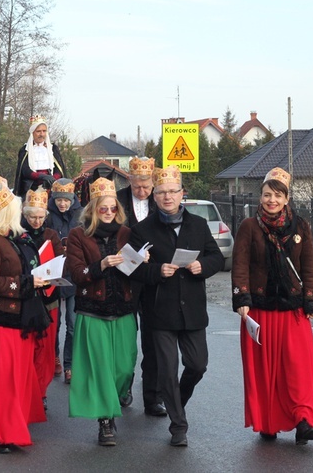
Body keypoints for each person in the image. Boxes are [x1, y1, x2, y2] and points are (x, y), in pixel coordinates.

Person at [129, 165, 224, 447]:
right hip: (160, 310)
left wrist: (202, 265)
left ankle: (176, 403)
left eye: (172, 191)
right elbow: (131, 269)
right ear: (154, 197)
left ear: (182, 194)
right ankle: (178, 426)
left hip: (193, 309)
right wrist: (157, 271)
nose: (167, 197)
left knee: (197, 365)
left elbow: (216, 257)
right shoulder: (142, 230)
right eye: (161, 192)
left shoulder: (197, 224)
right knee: (167, 370)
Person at [231, 167, 313, 445]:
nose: (271, 200)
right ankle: (268, 422)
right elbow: (240, 266)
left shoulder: (301, 226)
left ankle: (304, 419)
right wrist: (242, 299)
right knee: (264, 371)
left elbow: (309, 266)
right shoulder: (249, 226)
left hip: (292, 308)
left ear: (286, 199)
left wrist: (311, 299)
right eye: (266, 194)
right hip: (259, 310)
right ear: (260, 197)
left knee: (299, 368)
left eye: (277, 195)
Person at [0, 182, 49, 453]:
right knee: (0, 382)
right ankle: (1, 433)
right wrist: (26, 283)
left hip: (14, 319)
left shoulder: (11, 239)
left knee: (14, 381)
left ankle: (10, 429)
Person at [65, 176, 137, 446]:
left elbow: (135, 272)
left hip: (124, 309)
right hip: (93, 311)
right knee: (102, 370)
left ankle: (115, 398)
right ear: (93, 209)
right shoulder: (78, 235)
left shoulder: (126, 233)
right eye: (103, 208)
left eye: (113, 208)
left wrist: (142, 261)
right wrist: (102, 264)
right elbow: (77, 274)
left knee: (124, 369)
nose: (109, 213)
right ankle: (105, 422)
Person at [117, 156, 165, 417]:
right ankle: (122, 388)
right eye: (137, 186)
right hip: (124, 278)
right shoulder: (116, 201)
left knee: (153, 340)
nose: (142, 191)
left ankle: (152, 397)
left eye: (147, 186)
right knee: (124, 341)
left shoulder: (161, 201)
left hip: (152, 278)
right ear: (129, 180)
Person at [21, 188, 63, 410]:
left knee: (46, 349)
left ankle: (41, 391)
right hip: (26, 297)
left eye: (40, 217)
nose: (36, 221)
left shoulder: (51, 235)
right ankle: (27, 389)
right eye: (32, 217)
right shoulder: (17, 234)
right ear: (24, 215)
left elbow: (59, 263)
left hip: (49, 298)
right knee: (28, 348)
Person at [44, 178, 81, 384]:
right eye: (59, 200)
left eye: (66, 201)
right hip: (53, 274)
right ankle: (54, 357)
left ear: (72, 199)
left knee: (73, 324)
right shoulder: (47, 214)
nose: (62, 204)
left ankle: (70, 364)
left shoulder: (80, 214)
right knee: (54, 323)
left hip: (74, 276)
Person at [14, 115, 68, 197]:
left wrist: (53, 179)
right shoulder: (25, 150)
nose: (41, 134)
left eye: (44, 131)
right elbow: (25, 171)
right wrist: (41, 176)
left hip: (51, 186)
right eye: (38, 131)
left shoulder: (53, 148)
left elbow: (59, 169)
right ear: (32, 133)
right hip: (31, 186)